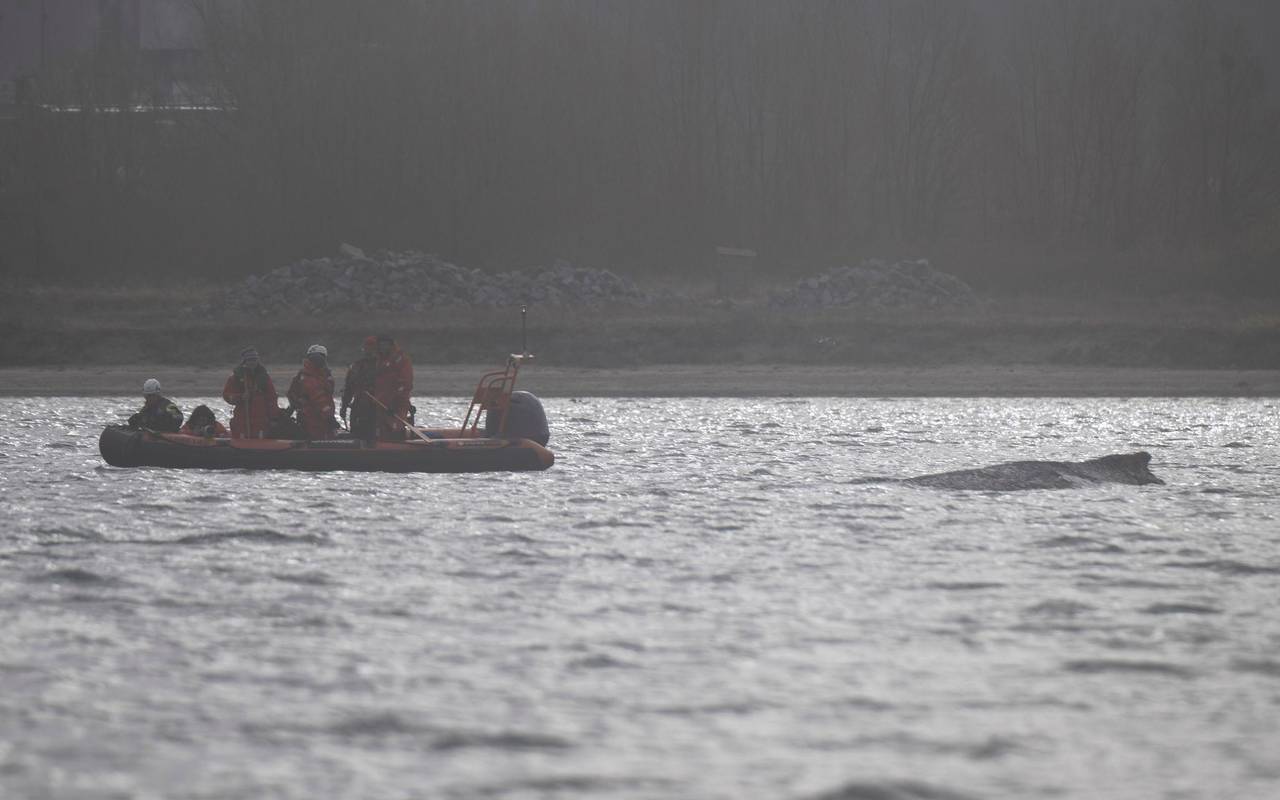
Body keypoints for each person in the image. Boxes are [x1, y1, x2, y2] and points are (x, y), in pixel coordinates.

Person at [222, 347, 280, 439]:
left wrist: (274, 417)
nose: (252, 362)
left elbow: (272, 398)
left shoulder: (264, 377)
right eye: (250, 360)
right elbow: (227, 395)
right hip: (242, 418)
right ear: (245, 361)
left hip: (261, 418)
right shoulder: (236, 377)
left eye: (254, 359)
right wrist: (240, 397)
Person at [287, 344, 338, 440]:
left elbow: (292, 394)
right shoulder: (309, 376)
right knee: (317, 438)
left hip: (317, 417)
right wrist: (329, 417)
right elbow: (318, 398)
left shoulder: (320, 375)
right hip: (313, 418)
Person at [373, 334, 413, 441]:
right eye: (381, 345)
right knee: (382, 430)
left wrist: (395, 401)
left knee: (395, 428)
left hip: (397, 403)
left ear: (391, 345)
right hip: (380, 403)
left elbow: (406, 383)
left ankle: (398, 443)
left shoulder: (401, 360)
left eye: (385, 345)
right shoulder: (378, 361)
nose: (383, 347)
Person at [341, 336, 378, 441]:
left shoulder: (383, 366)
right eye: (367, 349)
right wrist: (344, 407)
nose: (369, 352)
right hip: (359, 406)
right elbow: (348, 389)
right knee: (357, 431)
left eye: (371, 349)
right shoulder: (356, 366)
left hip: (377, 406)